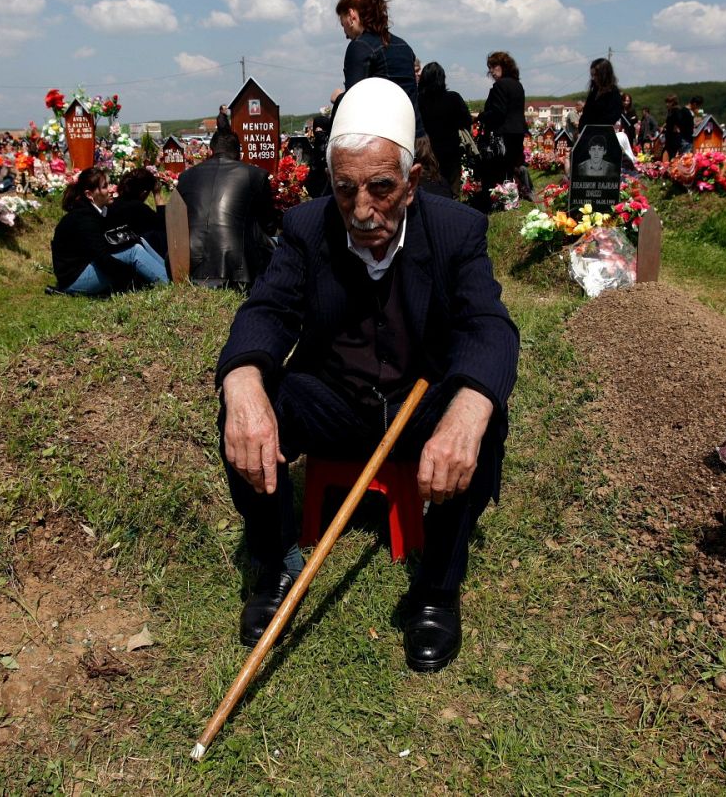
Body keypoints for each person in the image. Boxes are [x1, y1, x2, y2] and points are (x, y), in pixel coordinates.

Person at [217, 78, 519, 674]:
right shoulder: (307, 228)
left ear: (412, 181)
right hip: (334, 401)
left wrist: (466, 413)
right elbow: (266, 312)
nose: (362, 210)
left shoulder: (455, 230)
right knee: (246, 400)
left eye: (381, 187)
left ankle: (436, 590)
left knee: (481, 415)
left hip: (417, 405)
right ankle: (276, 563)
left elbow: (489, 326)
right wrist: (244, 385)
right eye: (346, 188)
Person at [176, 127, 278, 289]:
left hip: (187, 264)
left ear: (210, 151)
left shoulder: (185, 177)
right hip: (238, 268)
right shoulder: (256, 175)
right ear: (239, 153)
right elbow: (269, 226)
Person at [50, 167, 168, 296]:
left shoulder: (97, 212)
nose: (111, 189)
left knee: (137, 242)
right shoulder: (84, 218)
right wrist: (131, 274)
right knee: (133, 252)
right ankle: (168, 284)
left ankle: (168, 275)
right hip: (73, 280)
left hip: (88, 266)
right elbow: (102, 258)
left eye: (109, 184)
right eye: (105, 186)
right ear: (89, 195)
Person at [331, 0, 421, 137]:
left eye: (343, 24)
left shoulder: (360, 46)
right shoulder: (404, 46)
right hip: (416, 136)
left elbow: (354, 103)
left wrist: (338, 97)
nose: (345, 34)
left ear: (352, 15)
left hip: (384, 139)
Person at [475, 50, 526, 213]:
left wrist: (480, 116)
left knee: (497, 171)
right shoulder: (517, 85)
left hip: (502, 135)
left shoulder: (500, 86)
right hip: (517, 133)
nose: (491, 70)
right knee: (510, 170)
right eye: (489, 67)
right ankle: (511, 202)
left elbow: (498, 113)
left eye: (494, 66)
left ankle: (498, 204)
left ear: (504, 65)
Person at [416, 61, 473, 195]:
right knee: (452, 187)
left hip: (427, 150)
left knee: (429, 186)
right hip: (451, 150)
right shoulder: (453, 98)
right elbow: (466, 121)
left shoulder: (418, 101)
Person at [113, 167, 168, 262]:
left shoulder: (113, 203)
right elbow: (164, 224)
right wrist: (157, 195)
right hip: (133, 255)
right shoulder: (138, 208)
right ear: (143, 193)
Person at [577, 58, 622, 130]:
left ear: (605, 75)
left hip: (602, 133)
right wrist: (581, 130)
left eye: (596, 75)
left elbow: (611, 118)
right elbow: (585, 114)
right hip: (587, 133)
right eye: (592, 75)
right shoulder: (593, 93)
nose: (593, 78)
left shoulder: (613, 93)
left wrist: (592, 128)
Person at [662, 94, 694, 159]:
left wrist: (676, 128)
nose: (667, 104)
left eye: (669, 102)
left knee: (673, 156)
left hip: (674, 138)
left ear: (673, 102)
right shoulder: (670, 111)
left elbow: (679, 122)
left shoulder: (676, 111)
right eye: (666, 102)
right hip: (670, 137)